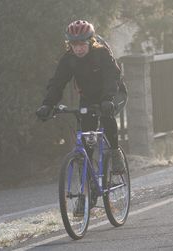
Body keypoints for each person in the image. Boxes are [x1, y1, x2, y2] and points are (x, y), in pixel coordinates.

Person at [35, 20, 128, 174]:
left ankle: (115, 152)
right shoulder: (69, 59)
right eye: (74, 45)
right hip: (89, 97)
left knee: (106, 115)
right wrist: (48, 104)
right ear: (69, 44)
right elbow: (57, 83)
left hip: (113, 93)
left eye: (82, 44)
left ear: (91, 42)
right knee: (87, 133)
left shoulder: (101, 54)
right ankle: (89, 174)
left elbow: (112, 77)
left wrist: (107, 99)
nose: (78, 49)